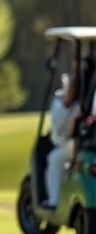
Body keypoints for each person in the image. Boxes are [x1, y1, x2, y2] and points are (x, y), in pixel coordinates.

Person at [47, 67, 81, 208]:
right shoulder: (59, 104)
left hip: (78, 146)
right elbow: (61, 129)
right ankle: (54, 200)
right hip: (67, 144)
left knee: (55, 158)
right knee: (56, 157)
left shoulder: (79, 104)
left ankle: (54, 201)